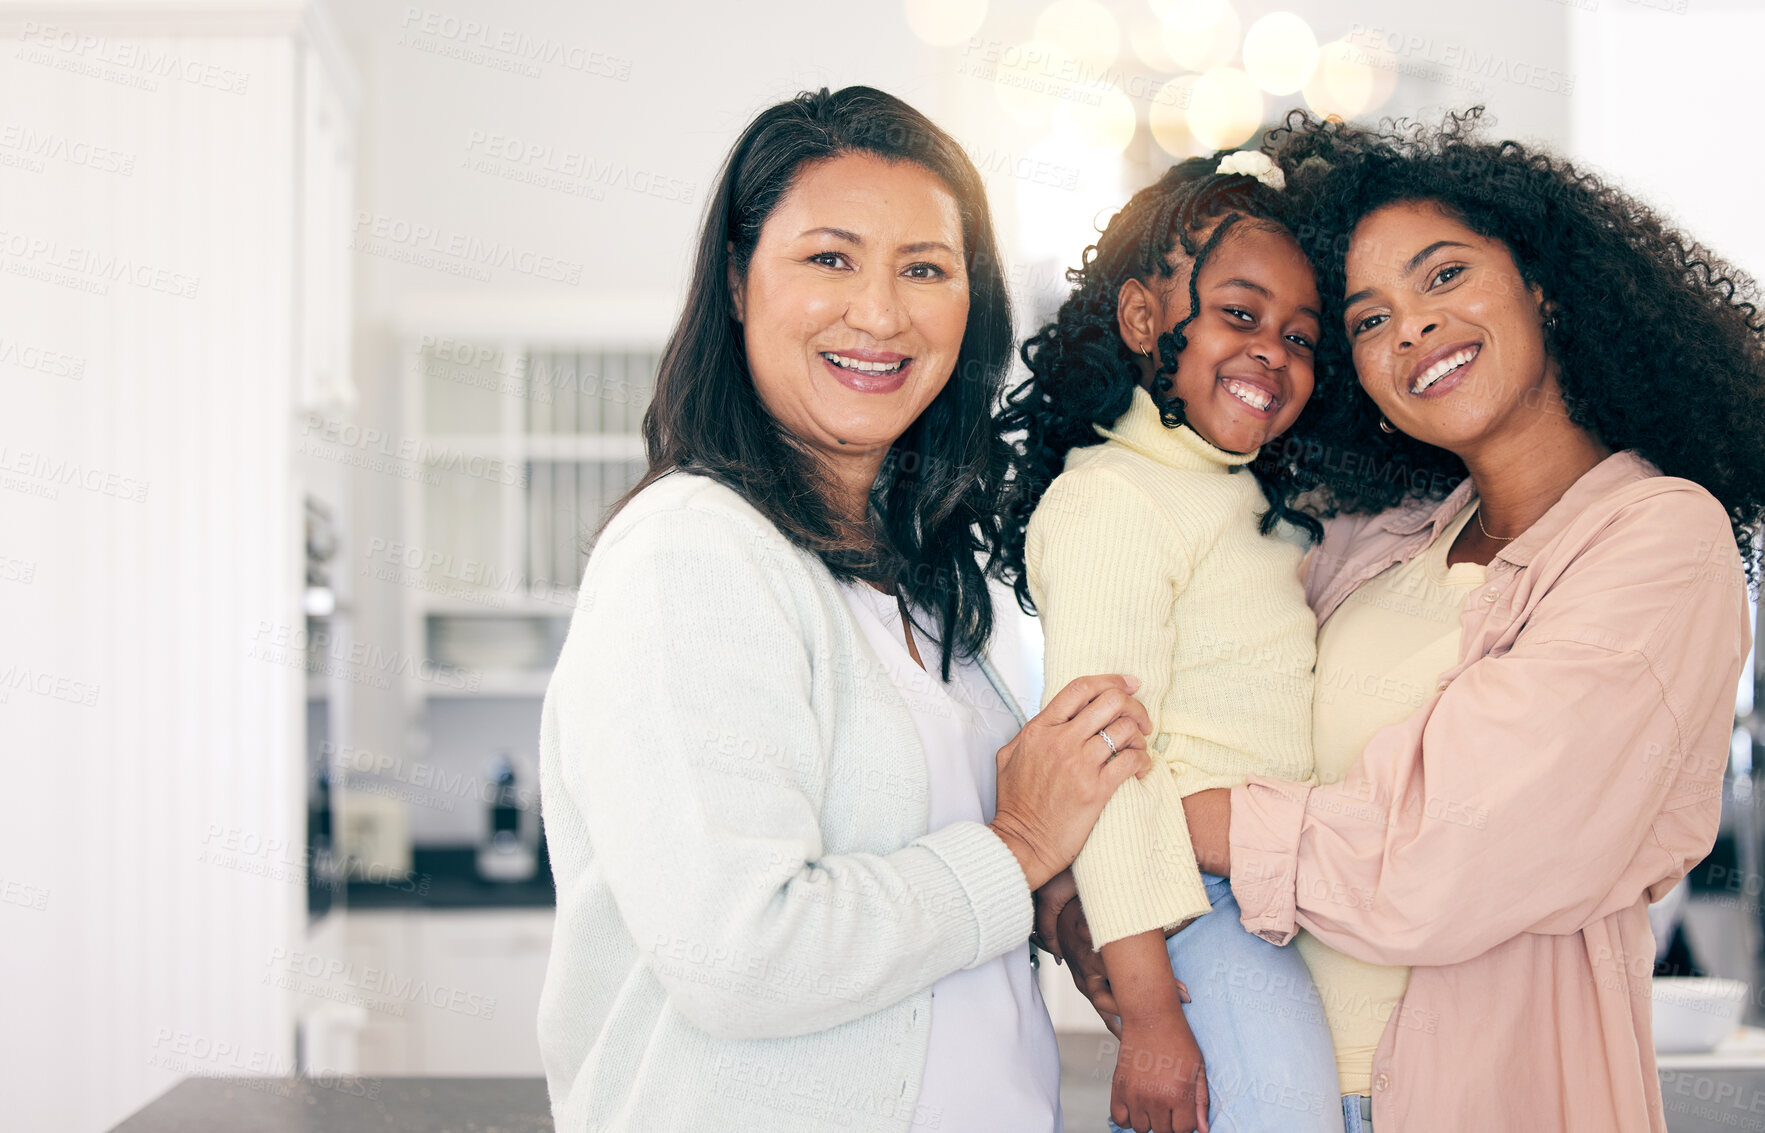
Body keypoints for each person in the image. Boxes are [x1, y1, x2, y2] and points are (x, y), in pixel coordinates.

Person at [1056, 108, 1764, 1133]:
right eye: (1367, 319)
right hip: (1251, 1077)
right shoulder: (1373, 546)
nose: (1412, 328)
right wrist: (1076, 889)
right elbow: (1181, 691)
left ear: (1544, 288)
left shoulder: (1656, 542)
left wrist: (1147, 824)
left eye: (1443, 277)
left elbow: (1444, 854)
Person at [535, 85, 1154, 1133]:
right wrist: (1015, 847)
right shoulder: (691, 551)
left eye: (925, 268)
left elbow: (933, 854)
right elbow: (738, 953)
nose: (880, 312)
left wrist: (1054, 904)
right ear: (737, 281)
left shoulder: (919, 574)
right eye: (830, 258)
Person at [998, 151, 1343, 1133]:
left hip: (1262, 888)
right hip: (1191, 908)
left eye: (1300, 335)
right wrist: (1149, 1015)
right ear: (1146, 318)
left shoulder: (1239, 494)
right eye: (1239, 314)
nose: (1271, 350)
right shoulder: (1111, 497)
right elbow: (1105, 768)